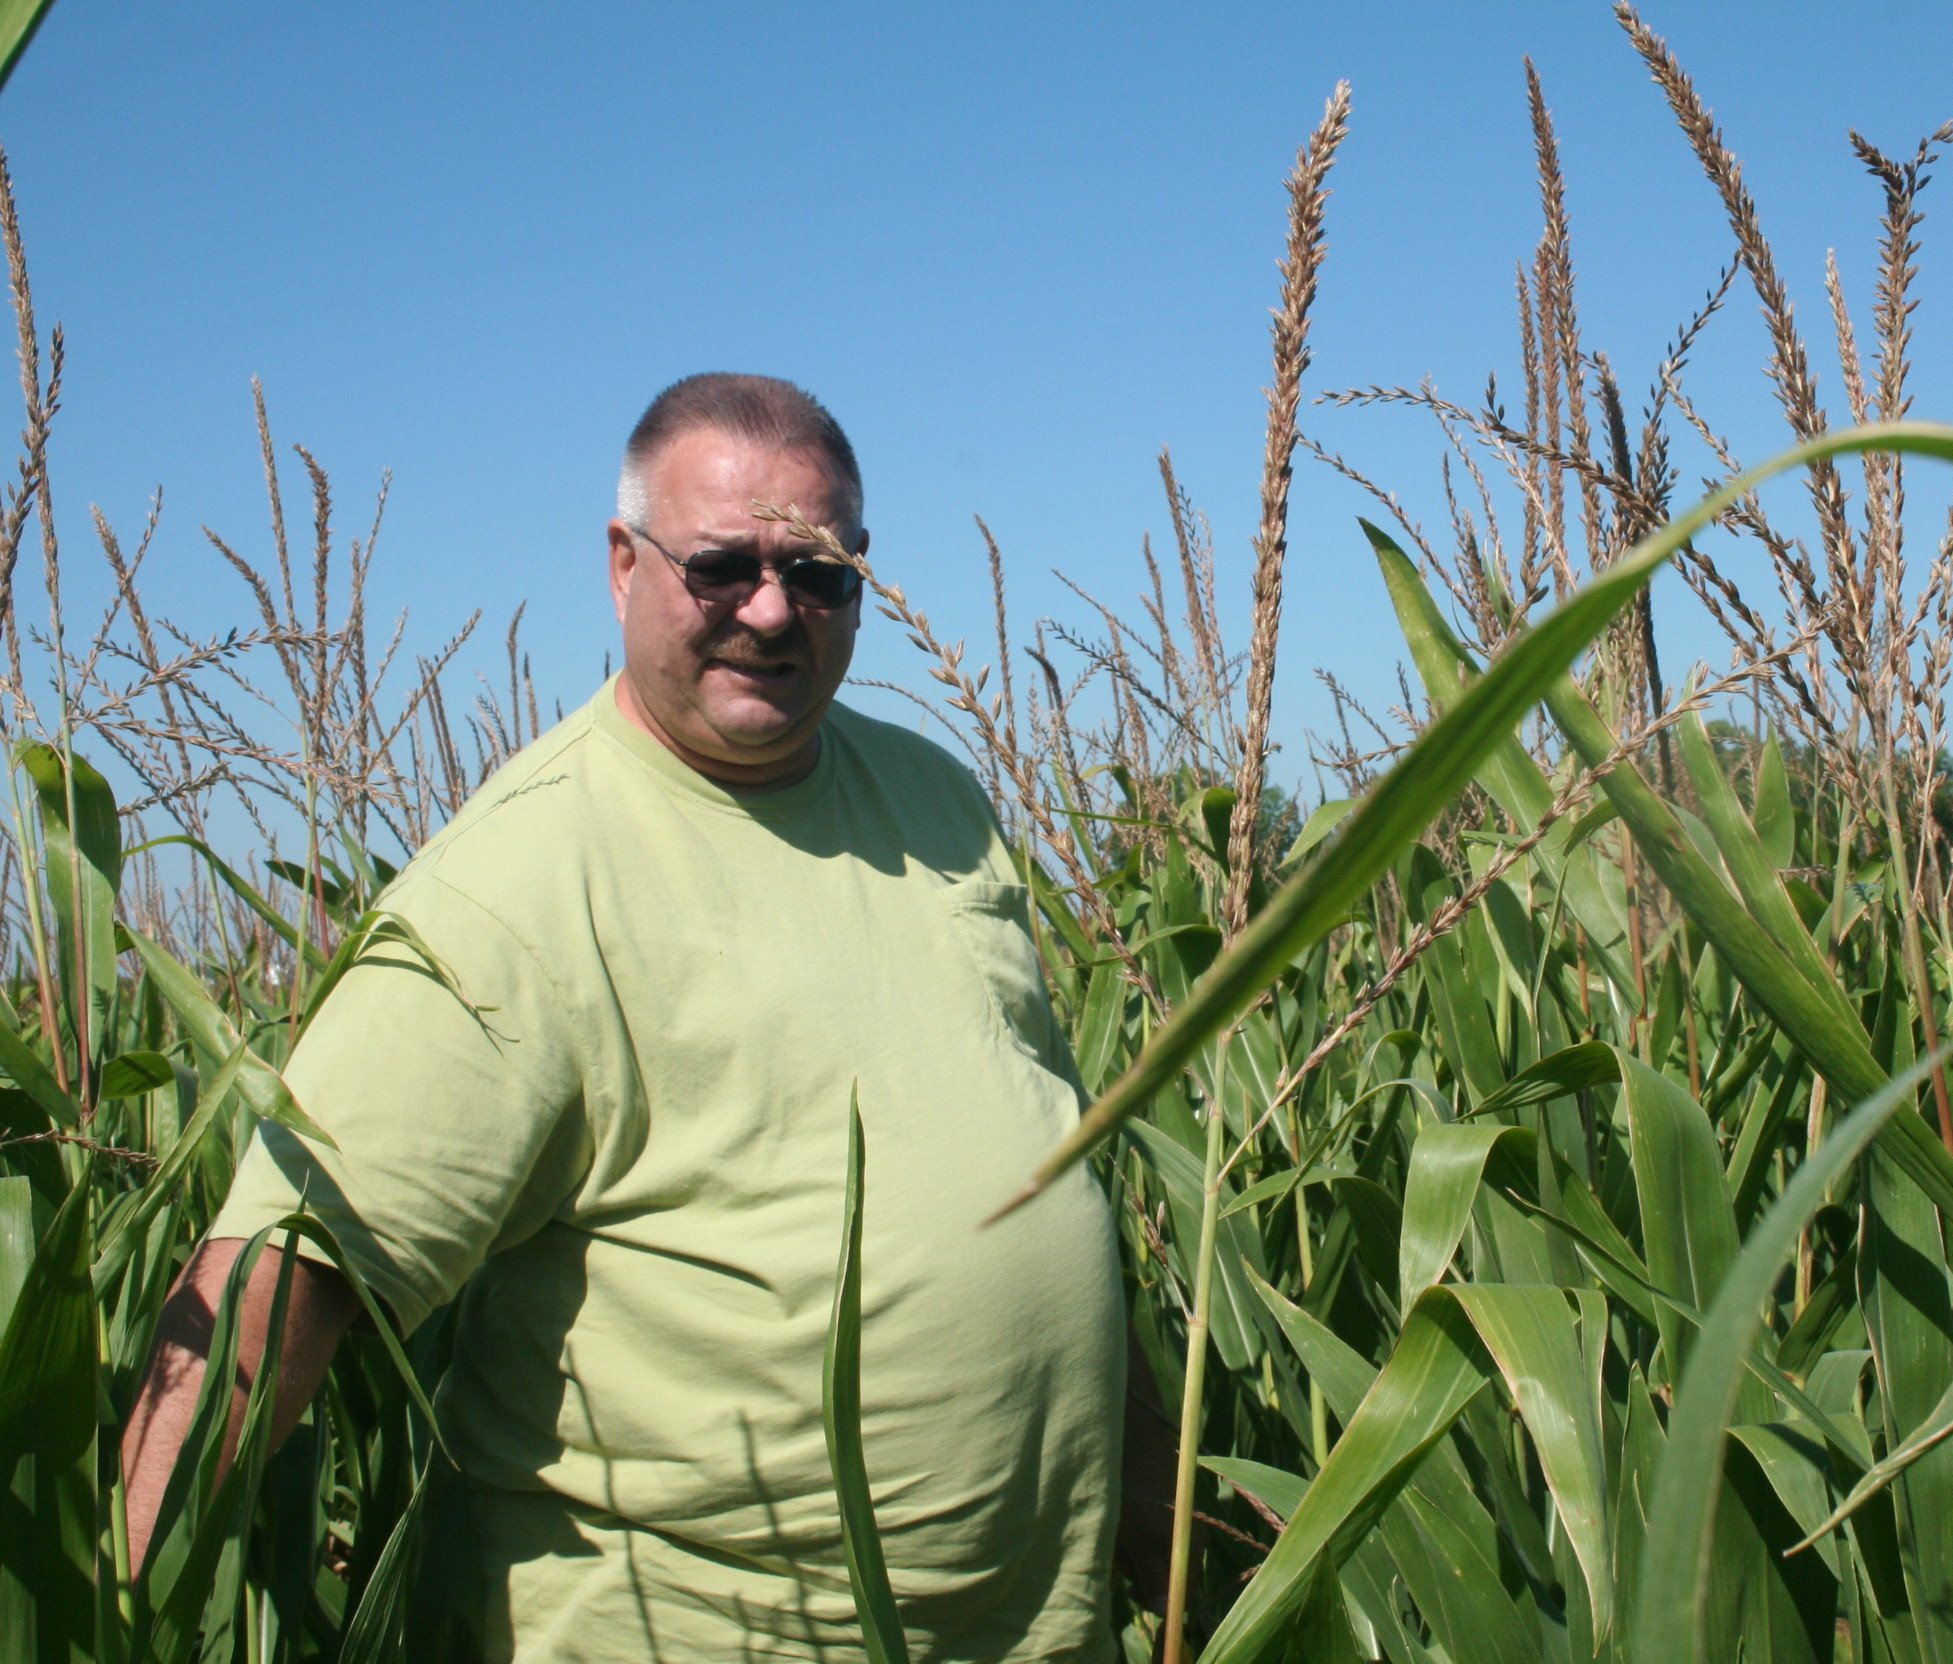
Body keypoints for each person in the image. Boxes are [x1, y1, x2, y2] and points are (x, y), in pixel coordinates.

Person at [121, 373, 1170, 1662]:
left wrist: (1174, 1541)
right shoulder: (518, 886)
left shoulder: (938, 800)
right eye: (722, 566)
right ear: (624, 568)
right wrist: (110, 1611)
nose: (773, 610)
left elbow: (1044, 1174)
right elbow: (274, 1285)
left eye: (820, 572)